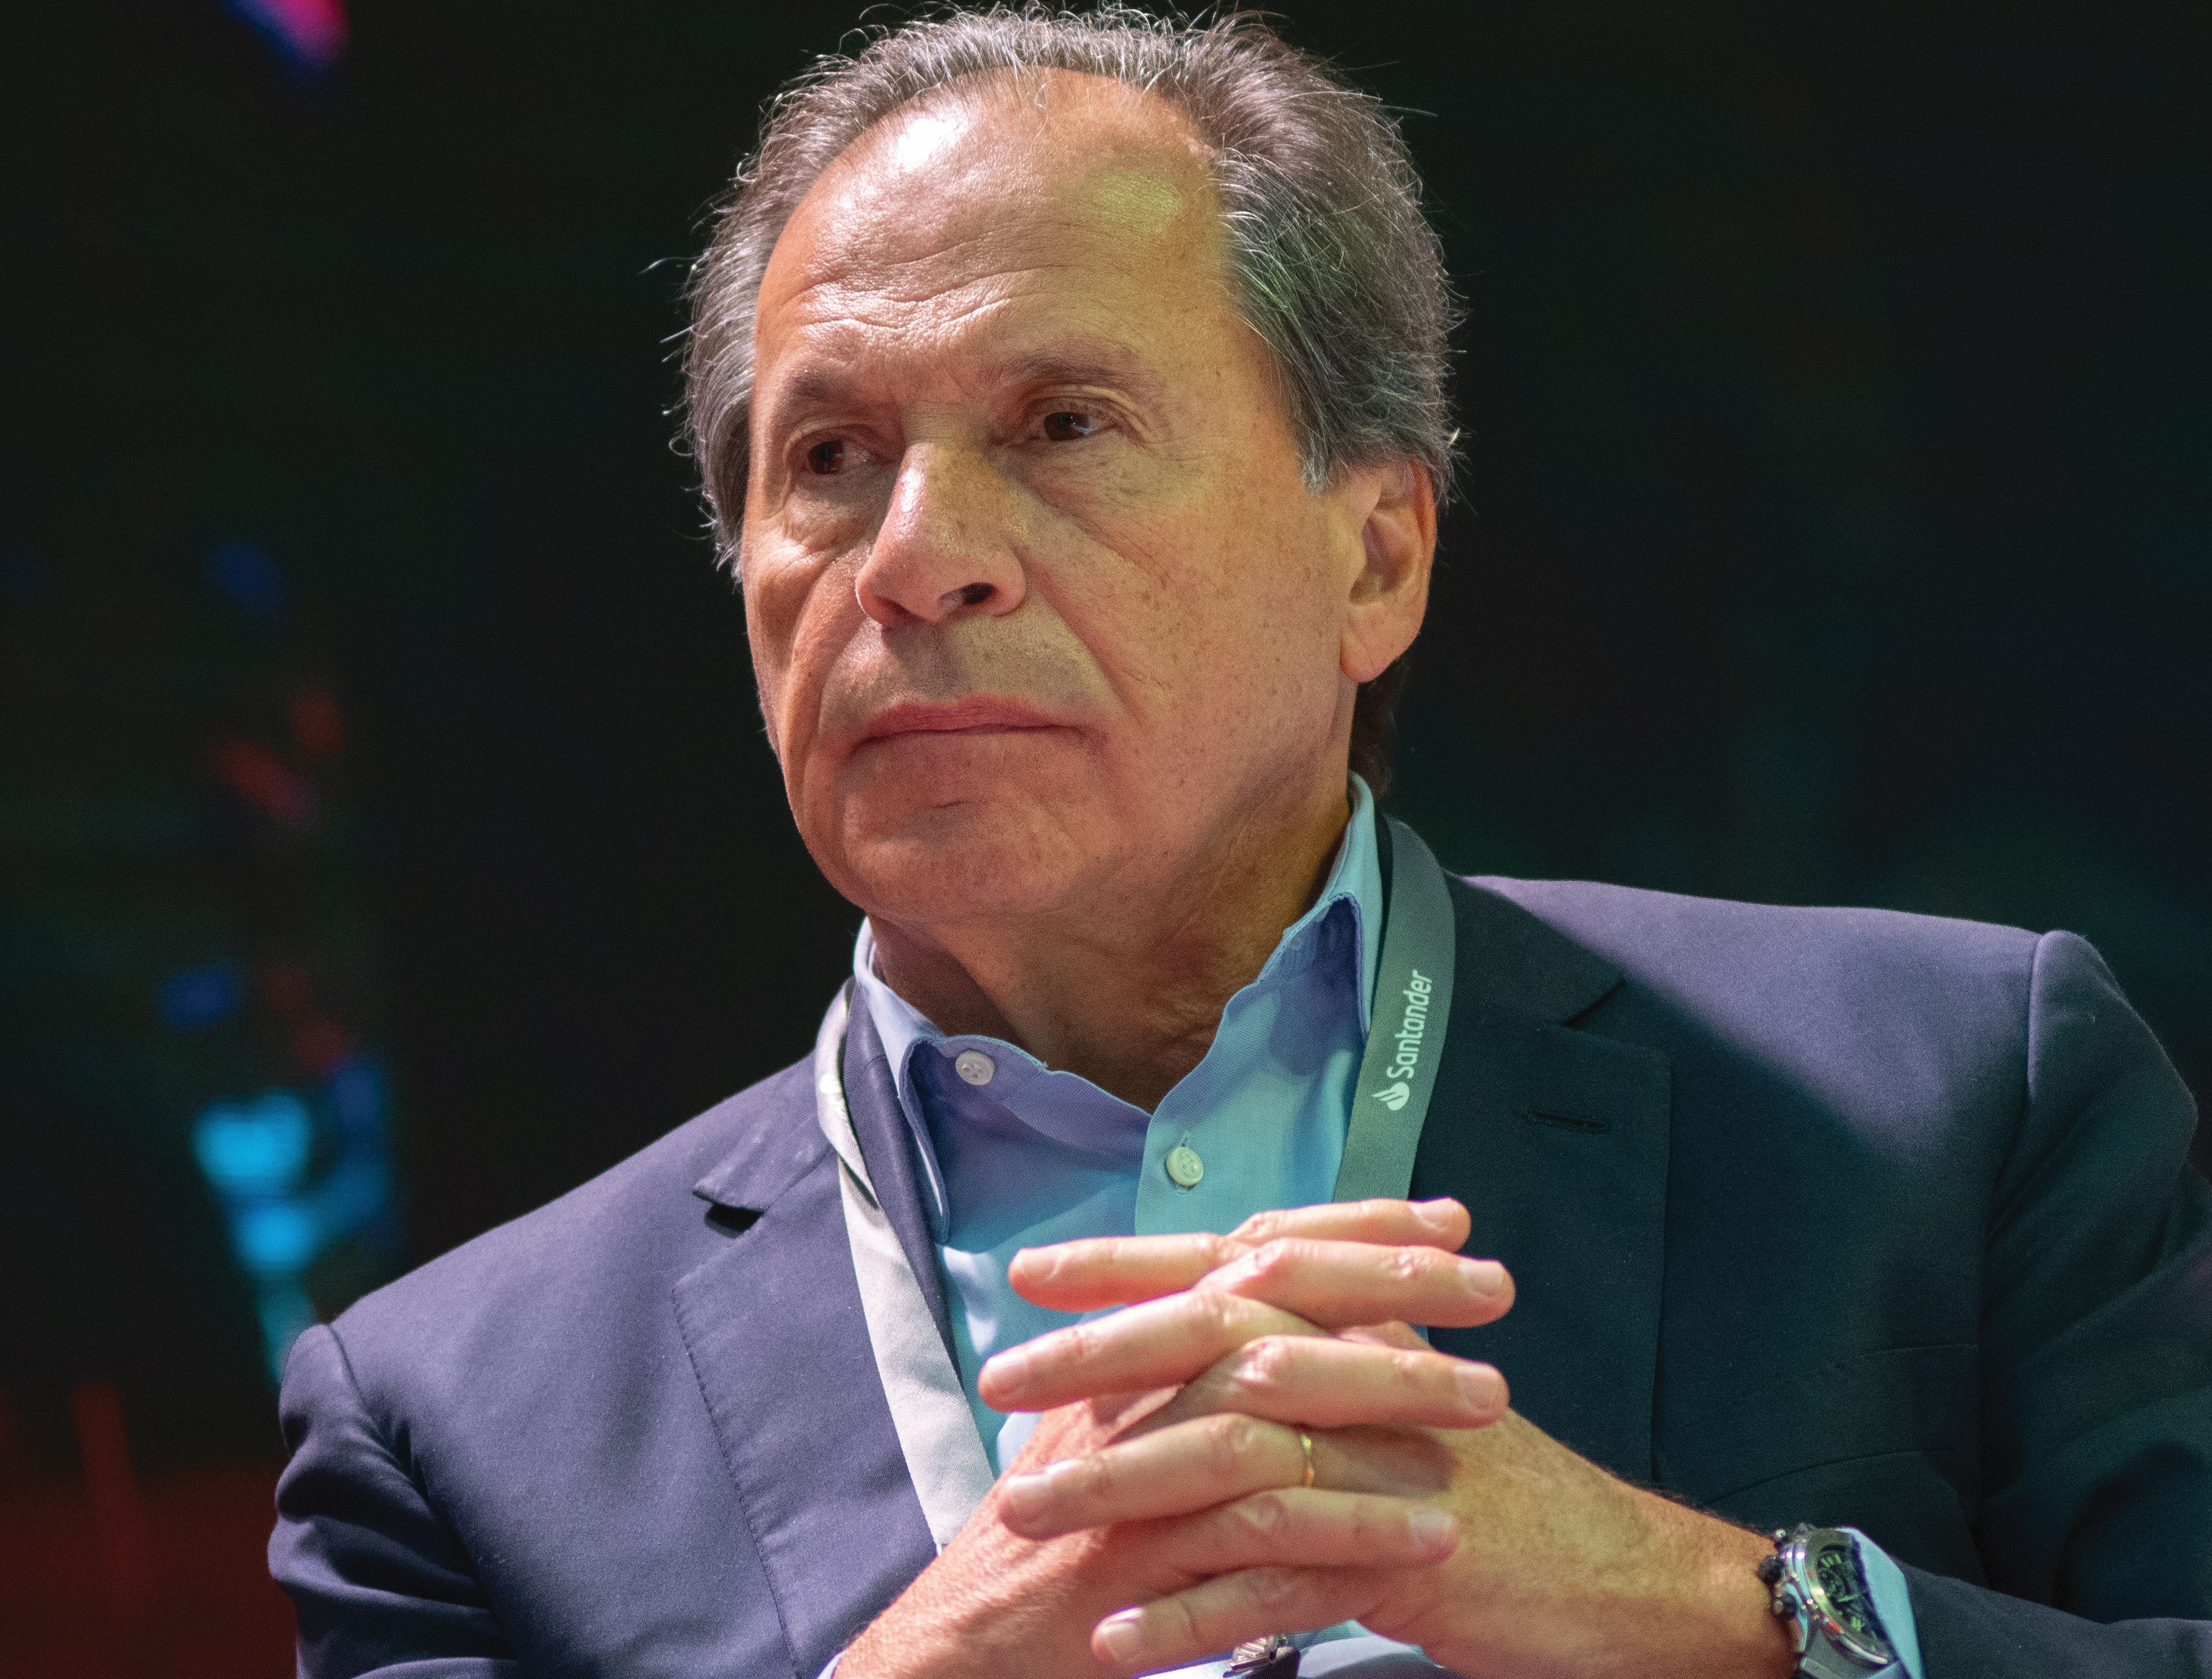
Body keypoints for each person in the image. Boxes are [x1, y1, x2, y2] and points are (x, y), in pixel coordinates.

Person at [269, 9, 2212, 1678]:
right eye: (830, 457)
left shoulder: (1959, 1105)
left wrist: (1719, 1609)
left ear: (1376, 556)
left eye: (1062, 423)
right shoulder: (456, 1426)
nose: (916, 557)